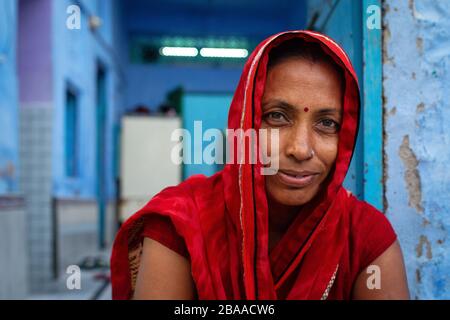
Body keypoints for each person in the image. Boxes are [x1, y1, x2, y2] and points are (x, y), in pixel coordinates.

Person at [110, 30, 409, 300]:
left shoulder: (365, 237)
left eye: (327, 123)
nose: (300, 149)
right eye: (277, 116)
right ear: (245, 121)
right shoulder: (181, 224)